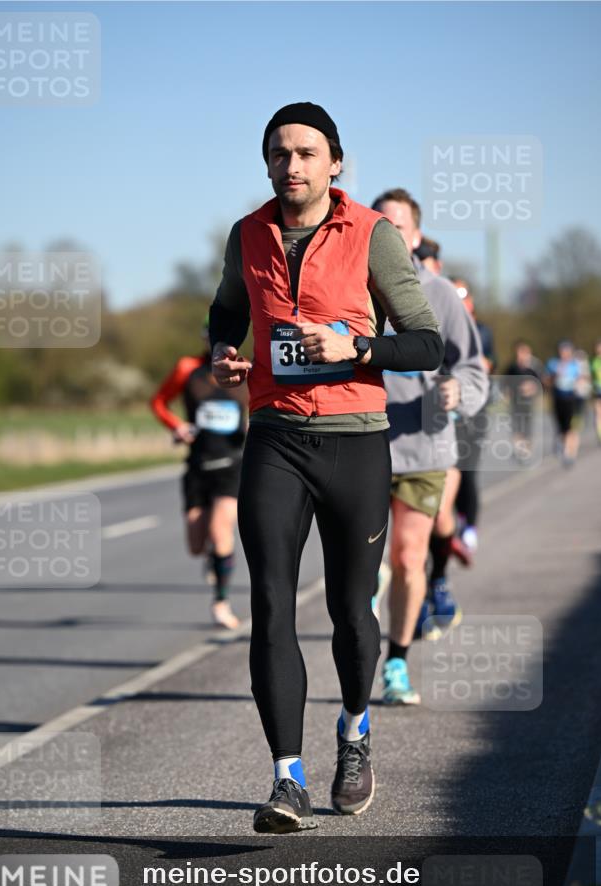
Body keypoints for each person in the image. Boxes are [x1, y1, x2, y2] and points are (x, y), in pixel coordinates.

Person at [209, 102, 443, 833]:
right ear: (267, 163)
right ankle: (286, 779)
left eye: (306, 153)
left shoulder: (371, 235)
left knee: (350, 609)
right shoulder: (246, 236)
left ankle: (353, 727)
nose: (292, 165)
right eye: (279, 153)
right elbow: (225, 312)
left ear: (334, 162)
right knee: (272, 604)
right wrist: (222, 354)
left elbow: (426, 344)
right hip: (275, 436)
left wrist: (356, 348)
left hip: (355, 441)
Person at [370, 189, 488, 705]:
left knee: (409, 554)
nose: (391, 235)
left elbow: (471, 367)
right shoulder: (351, 291)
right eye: (382, 226)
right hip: (360, 444)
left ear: (416, 238)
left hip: (423, 445)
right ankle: (359, 659)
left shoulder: (440, 294)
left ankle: (396, 661)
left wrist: (458, 390)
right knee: (360, 567)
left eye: (400, 227)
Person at [150, 321, 248, 629]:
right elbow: (158, 402)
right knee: (195, 544)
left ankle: (221, 602)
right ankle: (212, 558)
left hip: (232, 464)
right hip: (198, 464)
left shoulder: (246, 370)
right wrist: (176, 426)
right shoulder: (187, 368)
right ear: (205, 339)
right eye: (211, 338)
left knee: (221, 531)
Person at [451, 278, 497, 553]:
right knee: (448, 472)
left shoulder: (482, 331)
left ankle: (470, 526)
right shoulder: (441, 326)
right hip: (444, 411)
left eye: (462, 297)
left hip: (473, 410)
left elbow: (487, 364)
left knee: (467, 471)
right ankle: (456, 519)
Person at [503, 340, 544, 463]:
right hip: (515, 402)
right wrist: (507, 394)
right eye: (519, 352)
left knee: (527, 428)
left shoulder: (535, 367)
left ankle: (526, 449)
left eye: (524, 352)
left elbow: (542, 384)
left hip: (529, 403)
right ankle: (520, 451)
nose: (521, 355)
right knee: (516, 427)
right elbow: (505, 383)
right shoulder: (512, 367)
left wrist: (532, 389)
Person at [544, 340, 583, 466]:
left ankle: (570, 453)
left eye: (566, 351)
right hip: (557, 398)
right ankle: (562, 444)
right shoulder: (553, 363)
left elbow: (581, 380)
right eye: (562, 350)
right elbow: (546, 381)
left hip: (571, 399)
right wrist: (555, 376)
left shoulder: (575, 364)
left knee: (571, 427)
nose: (564, 353)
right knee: (561, 428)